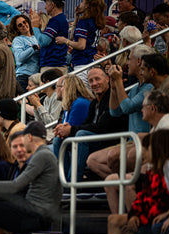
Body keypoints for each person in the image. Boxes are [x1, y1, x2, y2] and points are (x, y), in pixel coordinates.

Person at [92, 131, 169, 234]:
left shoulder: (166, 171)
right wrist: (134, 214)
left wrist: (141, 217)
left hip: (154, 218)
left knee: (160, 232)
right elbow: (143, 196)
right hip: (147, 217)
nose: (144, 153)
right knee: (113, 220)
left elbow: (160, 203)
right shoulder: (152, 172)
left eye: (147, 149)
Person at [87, 45, 155, 182]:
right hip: (131, 142)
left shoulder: (150, 87)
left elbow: (128, 107)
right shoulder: (136, 88)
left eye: (129, 59)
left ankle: (131, 185)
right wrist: (113, 86)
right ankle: (125, 184)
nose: (127, 63)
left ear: (139, 61)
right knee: (93, 161)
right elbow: (115, 111)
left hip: (144, 142)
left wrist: (118, 81)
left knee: (112, 156)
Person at [53, 67, 128, 181]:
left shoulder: (112, 97)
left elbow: (103, 127)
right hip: (96, 140)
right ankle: (64, 180)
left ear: (107, 79)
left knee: (81, 135)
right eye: (91, 81)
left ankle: (74, 181)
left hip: (111, 140)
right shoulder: (94, 102)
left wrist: (71, 129)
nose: (94, 83)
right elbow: (86, 123)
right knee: (58, 140)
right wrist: (64, 129)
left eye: (97, 79)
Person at [55, 0, 106, 86]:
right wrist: (76, 17)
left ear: (87, 5)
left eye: (82, 2)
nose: (80, 4)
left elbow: (81, 45)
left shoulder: (84, 22)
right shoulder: (94, 21)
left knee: (83, 94)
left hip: (82, 63)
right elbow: (73, 37)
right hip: (90, 61)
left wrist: (65, 41)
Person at [30, 0, 69, 74]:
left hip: (52, 66)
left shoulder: (55, 20)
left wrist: (35, 27)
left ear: (52, 4)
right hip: (57, 64)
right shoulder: (61, 19)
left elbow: (43, 42)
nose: (45, 7)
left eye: (46, 4)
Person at [9, 14, 40, 92]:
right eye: (20, 25)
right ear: (17, 29)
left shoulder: (36, 37)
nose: (23, 25)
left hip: (36, 76)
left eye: (24, 22)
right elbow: (20, 57)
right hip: (24, 77)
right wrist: (34, 48)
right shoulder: (18, 40)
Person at [29, 69, 63, 139]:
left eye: (42, 82)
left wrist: (39, 105)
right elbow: (40, 122)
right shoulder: (46, 99)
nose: (40, 84)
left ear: (47, 82)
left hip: (53, 135)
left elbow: (51, 123)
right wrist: (36, 107)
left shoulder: (57, 97)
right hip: (46, 133)